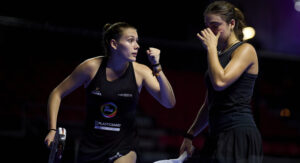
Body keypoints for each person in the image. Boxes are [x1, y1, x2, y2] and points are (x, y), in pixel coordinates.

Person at [44, 22, 176, 163]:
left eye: (137, 40)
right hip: (90, 148)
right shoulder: (90, 68)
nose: (137, 45)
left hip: (124, 147)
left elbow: (169, 103)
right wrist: (52, 129)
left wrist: (157, 66)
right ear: (114, 44)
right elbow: (56, 93)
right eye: (130, 40)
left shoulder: (141, 72)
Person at [179, 1, 263, 162]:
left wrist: (211, 49)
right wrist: (189, 135)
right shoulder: (217, 55)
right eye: (207, 26)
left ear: (232, 24)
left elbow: (220, 82)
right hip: (216, 134)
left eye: (215, 25)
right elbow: (209, 103)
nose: (210, 31)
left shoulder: (245, 50)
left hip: (238, 133)